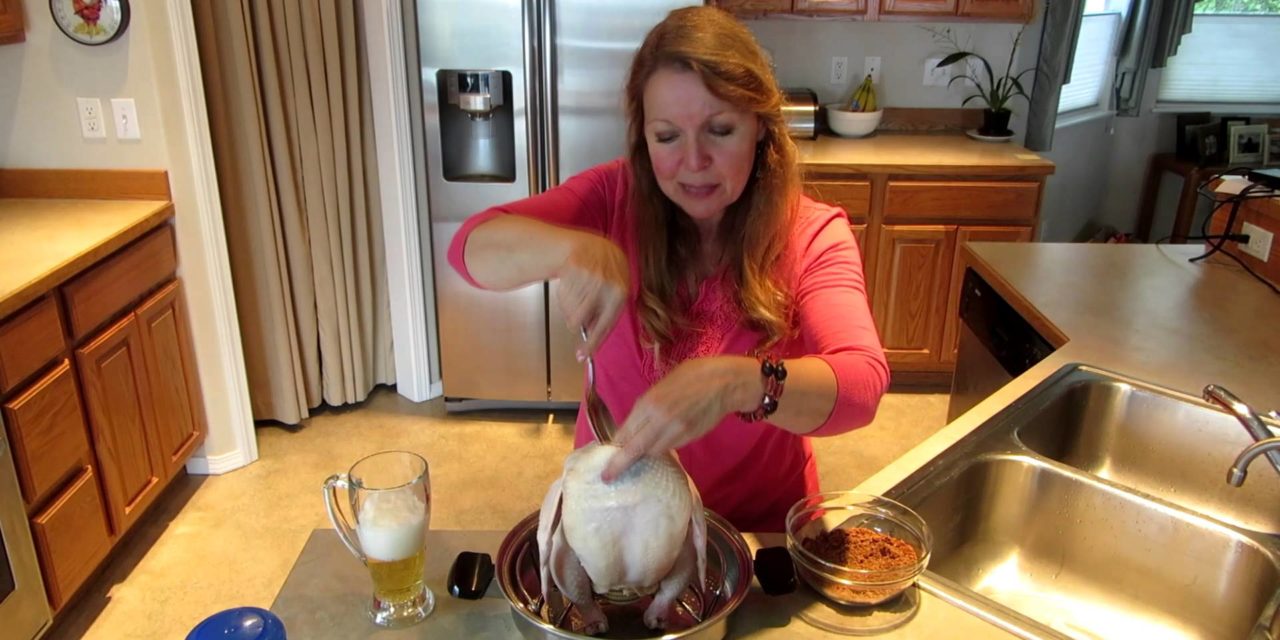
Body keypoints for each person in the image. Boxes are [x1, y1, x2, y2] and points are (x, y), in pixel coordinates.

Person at [447, 6, 889, 533]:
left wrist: (739, 383)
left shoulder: (811, 233)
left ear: (761, 130)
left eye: (720, 130)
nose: (693, 161)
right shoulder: (611, 199)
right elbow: (468, 247)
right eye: (667, 137)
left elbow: (862, 384)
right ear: (643, 139)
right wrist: (570, 251)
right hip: (619, 519)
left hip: (757, 532)